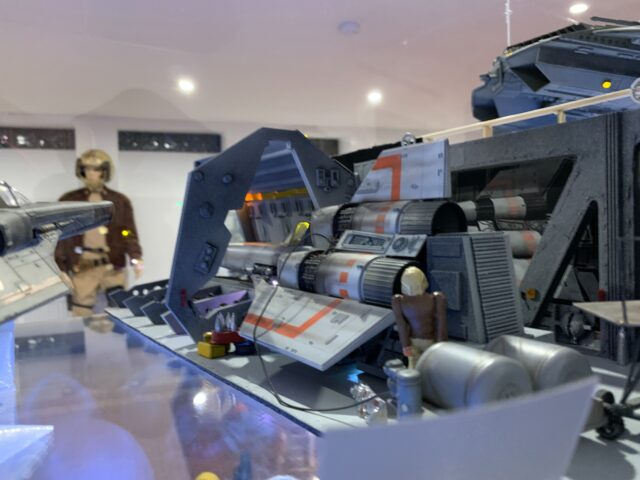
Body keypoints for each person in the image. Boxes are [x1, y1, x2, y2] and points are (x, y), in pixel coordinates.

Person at [55, 149, 143, 316]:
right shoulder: (69, 201)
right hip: (82, 266)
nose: (91, 174)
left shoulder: (119, 201)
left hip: (113, 266)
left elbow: (127, 232)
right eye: (86, 168)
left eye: (96, 169)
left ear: (105, 171)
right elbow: (60, 238)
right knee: (80, 312)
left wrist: (135, 258)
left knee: (120, 311)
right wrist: (61, 268)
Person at [391, 266, 448, 369]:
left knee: (415, 370)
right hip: (428, 340)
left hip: (415, 341)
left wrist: (405, 345)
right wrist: (441, 343)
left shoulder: (398, 301)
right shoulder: (436, 298)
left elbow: (401, 325)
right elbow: (441, 323)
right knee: (431, 368)